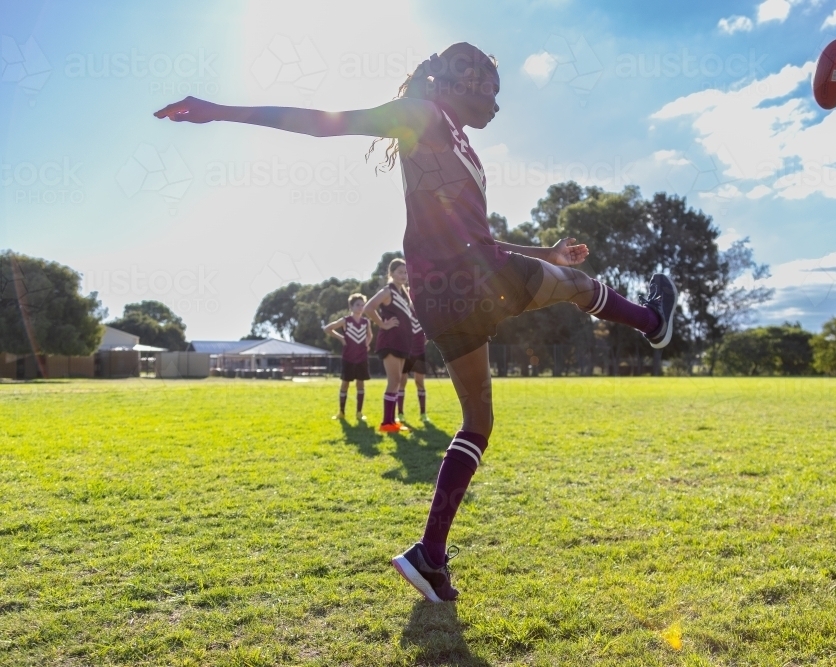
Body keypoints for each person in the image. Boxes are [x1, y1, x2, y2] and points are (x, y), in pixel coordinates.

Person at [154, 42, 677, 604]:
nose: (497, 106)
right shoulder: (421, 116)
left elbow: (476, 236)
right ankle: (652, 322)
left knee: (477, 420)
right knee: (580, 291)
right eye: (492, 92)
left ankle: (429, 556)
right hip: (465, 280)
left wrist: (544, 252)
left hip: (444, 290)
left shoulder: (453, 135)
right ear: (462, 80)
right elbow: (324, 123)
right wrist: (219, 111)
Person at [362, 258, 413, 433]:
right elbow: (369, 308)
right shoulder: (387, 291)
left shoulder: (405, 293)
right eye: (400, 272)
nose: (404, 275)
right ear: (391, 274)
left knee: (398, 381)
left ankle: (392, 421)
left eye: (406, 272)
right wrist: (382, 324)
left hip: (402, 342)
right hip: (389, 341)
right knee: (394, 381)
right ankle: (386, 423)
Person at [323, 293, 373, 421]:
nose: (360, 307)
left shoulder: (366, 322)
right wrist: (341, 338)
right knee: (345, 384)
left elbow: (370, 336)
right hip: (348, 358)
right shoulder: (345, 320)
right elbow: (328, 328)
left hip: (361, 358)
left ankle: (359, 413)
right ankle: (341, 412)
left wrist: (366, 345)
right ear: (351, 306)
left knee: (360, 385)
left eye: (362, 305)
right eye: (357, 305)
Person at [398, 268, 429, 423]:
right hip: (405, 354)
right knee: (401, 383)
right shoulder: (404, 313)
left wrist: (423, 342)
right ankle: (400, 414)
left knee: (419, 383)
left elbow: (429, 333)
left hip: (420, 353)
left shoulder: (423, 313)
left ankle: (423, 414)